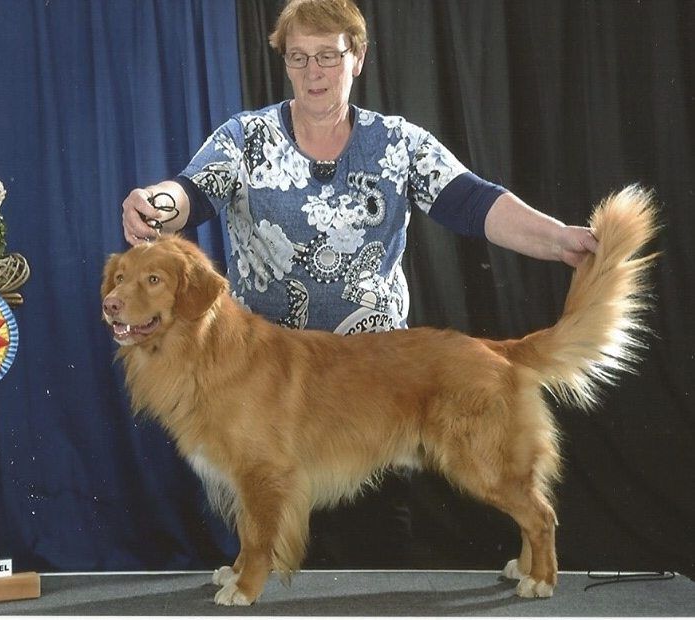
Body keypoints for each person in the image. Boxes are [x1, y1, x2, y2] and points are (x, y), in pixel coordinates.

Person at [120, 0, 597, 562]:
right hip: (262, 390)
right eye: (298, 57)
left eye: (328, 55)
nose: (313, 71)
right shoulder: (245, 138)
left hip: (375, 390)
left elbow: (474, 202)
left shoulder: (399, 143)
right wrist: (156, 202)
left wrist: (558, 237)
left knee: (371, 558)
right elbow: (191, 191)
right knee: (267, 532)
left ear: (358, 57)